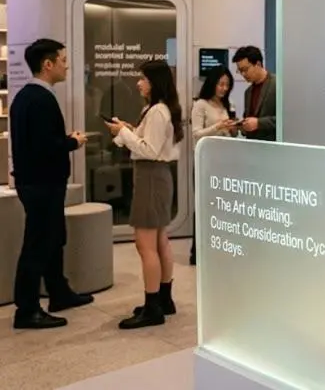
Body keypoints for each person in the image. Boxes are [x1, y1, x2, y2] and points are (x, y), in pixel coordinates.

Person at [10, 39, 91, 330]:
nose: (66, 65)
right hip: (42, 185)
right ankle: (27, 309)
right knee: (38, 244)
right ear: (48, 64)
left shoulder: (26, 97)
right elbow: (45, 146)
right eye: (63, 59)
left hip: (37, 183)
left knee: (54, 239)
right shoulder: (40, 99)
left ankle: (59, 292)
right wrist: (72, 141)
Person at [105, 60, 184, 330]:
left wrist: (124, 132)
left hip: (151, 176)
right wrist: (125, 130)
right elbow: (144, 142)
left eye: (143, 78)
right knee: (160, 240)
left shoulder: (157, 112)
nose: (138, 83)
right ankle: (163, 298)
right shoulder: (157, 110)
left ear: (155, 82)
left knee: (145, 244)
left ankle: (152, 307)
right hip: (156, 177)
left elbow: (148, 149)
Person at [189, 66, 238, 265]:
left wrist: (234, 128)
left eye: (227, 85)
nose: (224, 88)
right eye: (221, 84)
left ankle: (221, 247)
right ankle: (198, 251)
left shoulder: (229, 104)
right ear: (212, 83)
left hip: (225, 161)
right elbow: (196, 134)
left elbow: (234, 134)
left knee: (223, 207)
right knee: (204, 206)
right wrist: (218, 126)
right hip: (206, 162)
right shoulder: (201, 104)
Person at [232, 46, 276, 141]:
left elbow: (288, 119)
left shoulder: (277, 84)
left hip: (274, 148)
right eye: (240, 71)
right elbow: (249, 122)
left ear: (258, 64)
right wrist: (241, 126)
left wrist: (259, 123)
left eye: (245, 69)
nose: (243, 74)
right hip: (253, 148)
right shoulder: (248, 92)